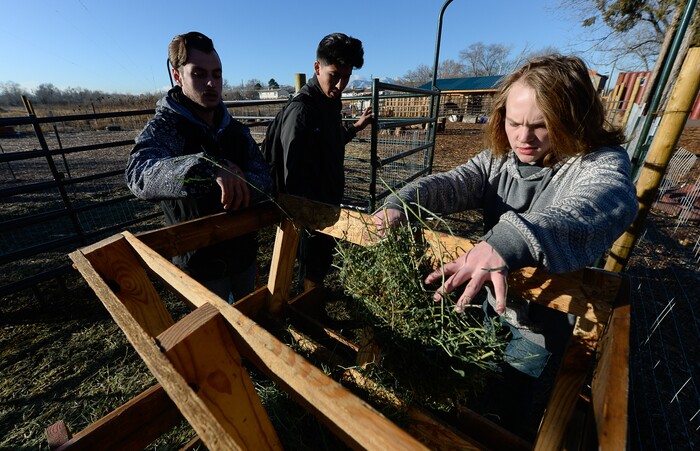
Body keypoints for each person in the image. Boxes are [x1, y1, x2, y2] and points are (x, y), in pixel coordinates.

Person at [373, 54, 638, 437]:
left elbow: (607, 200)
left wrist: (508, 241)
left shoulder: (596, 164)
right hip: (487, 303)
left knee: (508, 400)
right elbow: (451, 183)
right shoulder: (500, 160)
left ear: (571, 119)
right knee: (468, 381)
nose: (523, 138)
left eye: (540, 125)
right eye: (513, 123)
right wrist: (401, 202)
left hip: (541, 321)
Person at [126, 31, 271, 303]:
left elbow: (264, 178)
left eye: (217, 75)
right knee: (214, 336)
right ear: (177, 76)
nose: (211, 83)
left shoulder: (236, 131)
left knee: (253, 319)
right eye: (199, 74)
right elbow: (139, 175)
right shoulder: (166, 129)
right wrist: (208, 168)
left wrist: (242, 182)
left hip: (244, 257)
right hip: (199, 265)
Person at [278, 32, 373, 290]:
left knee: (321, 263)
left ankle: (312, 300)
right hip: (309, 208)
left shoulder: (328, 103)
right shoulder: (302, 111)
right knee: (312, 263)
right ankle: (309, 311)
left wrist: (355, 127)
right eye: (335, 76)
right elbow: (292, 172)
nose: (341, 85)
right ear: (317, 67)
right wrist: (305, 216)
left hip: (326, 202)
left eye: (347, 77)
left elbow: (329, 143)